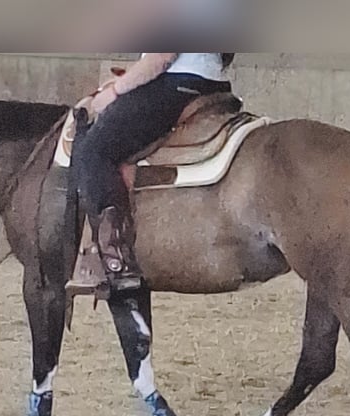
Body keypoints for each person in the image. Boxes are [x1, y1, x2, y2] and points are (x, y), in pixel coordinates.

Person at [66, 53, 236, 296]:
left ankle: (116, 258)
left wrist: (113, 92)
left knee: (93, 150)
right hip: (213, 83)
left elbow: (161, 57)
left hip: (176, 84)